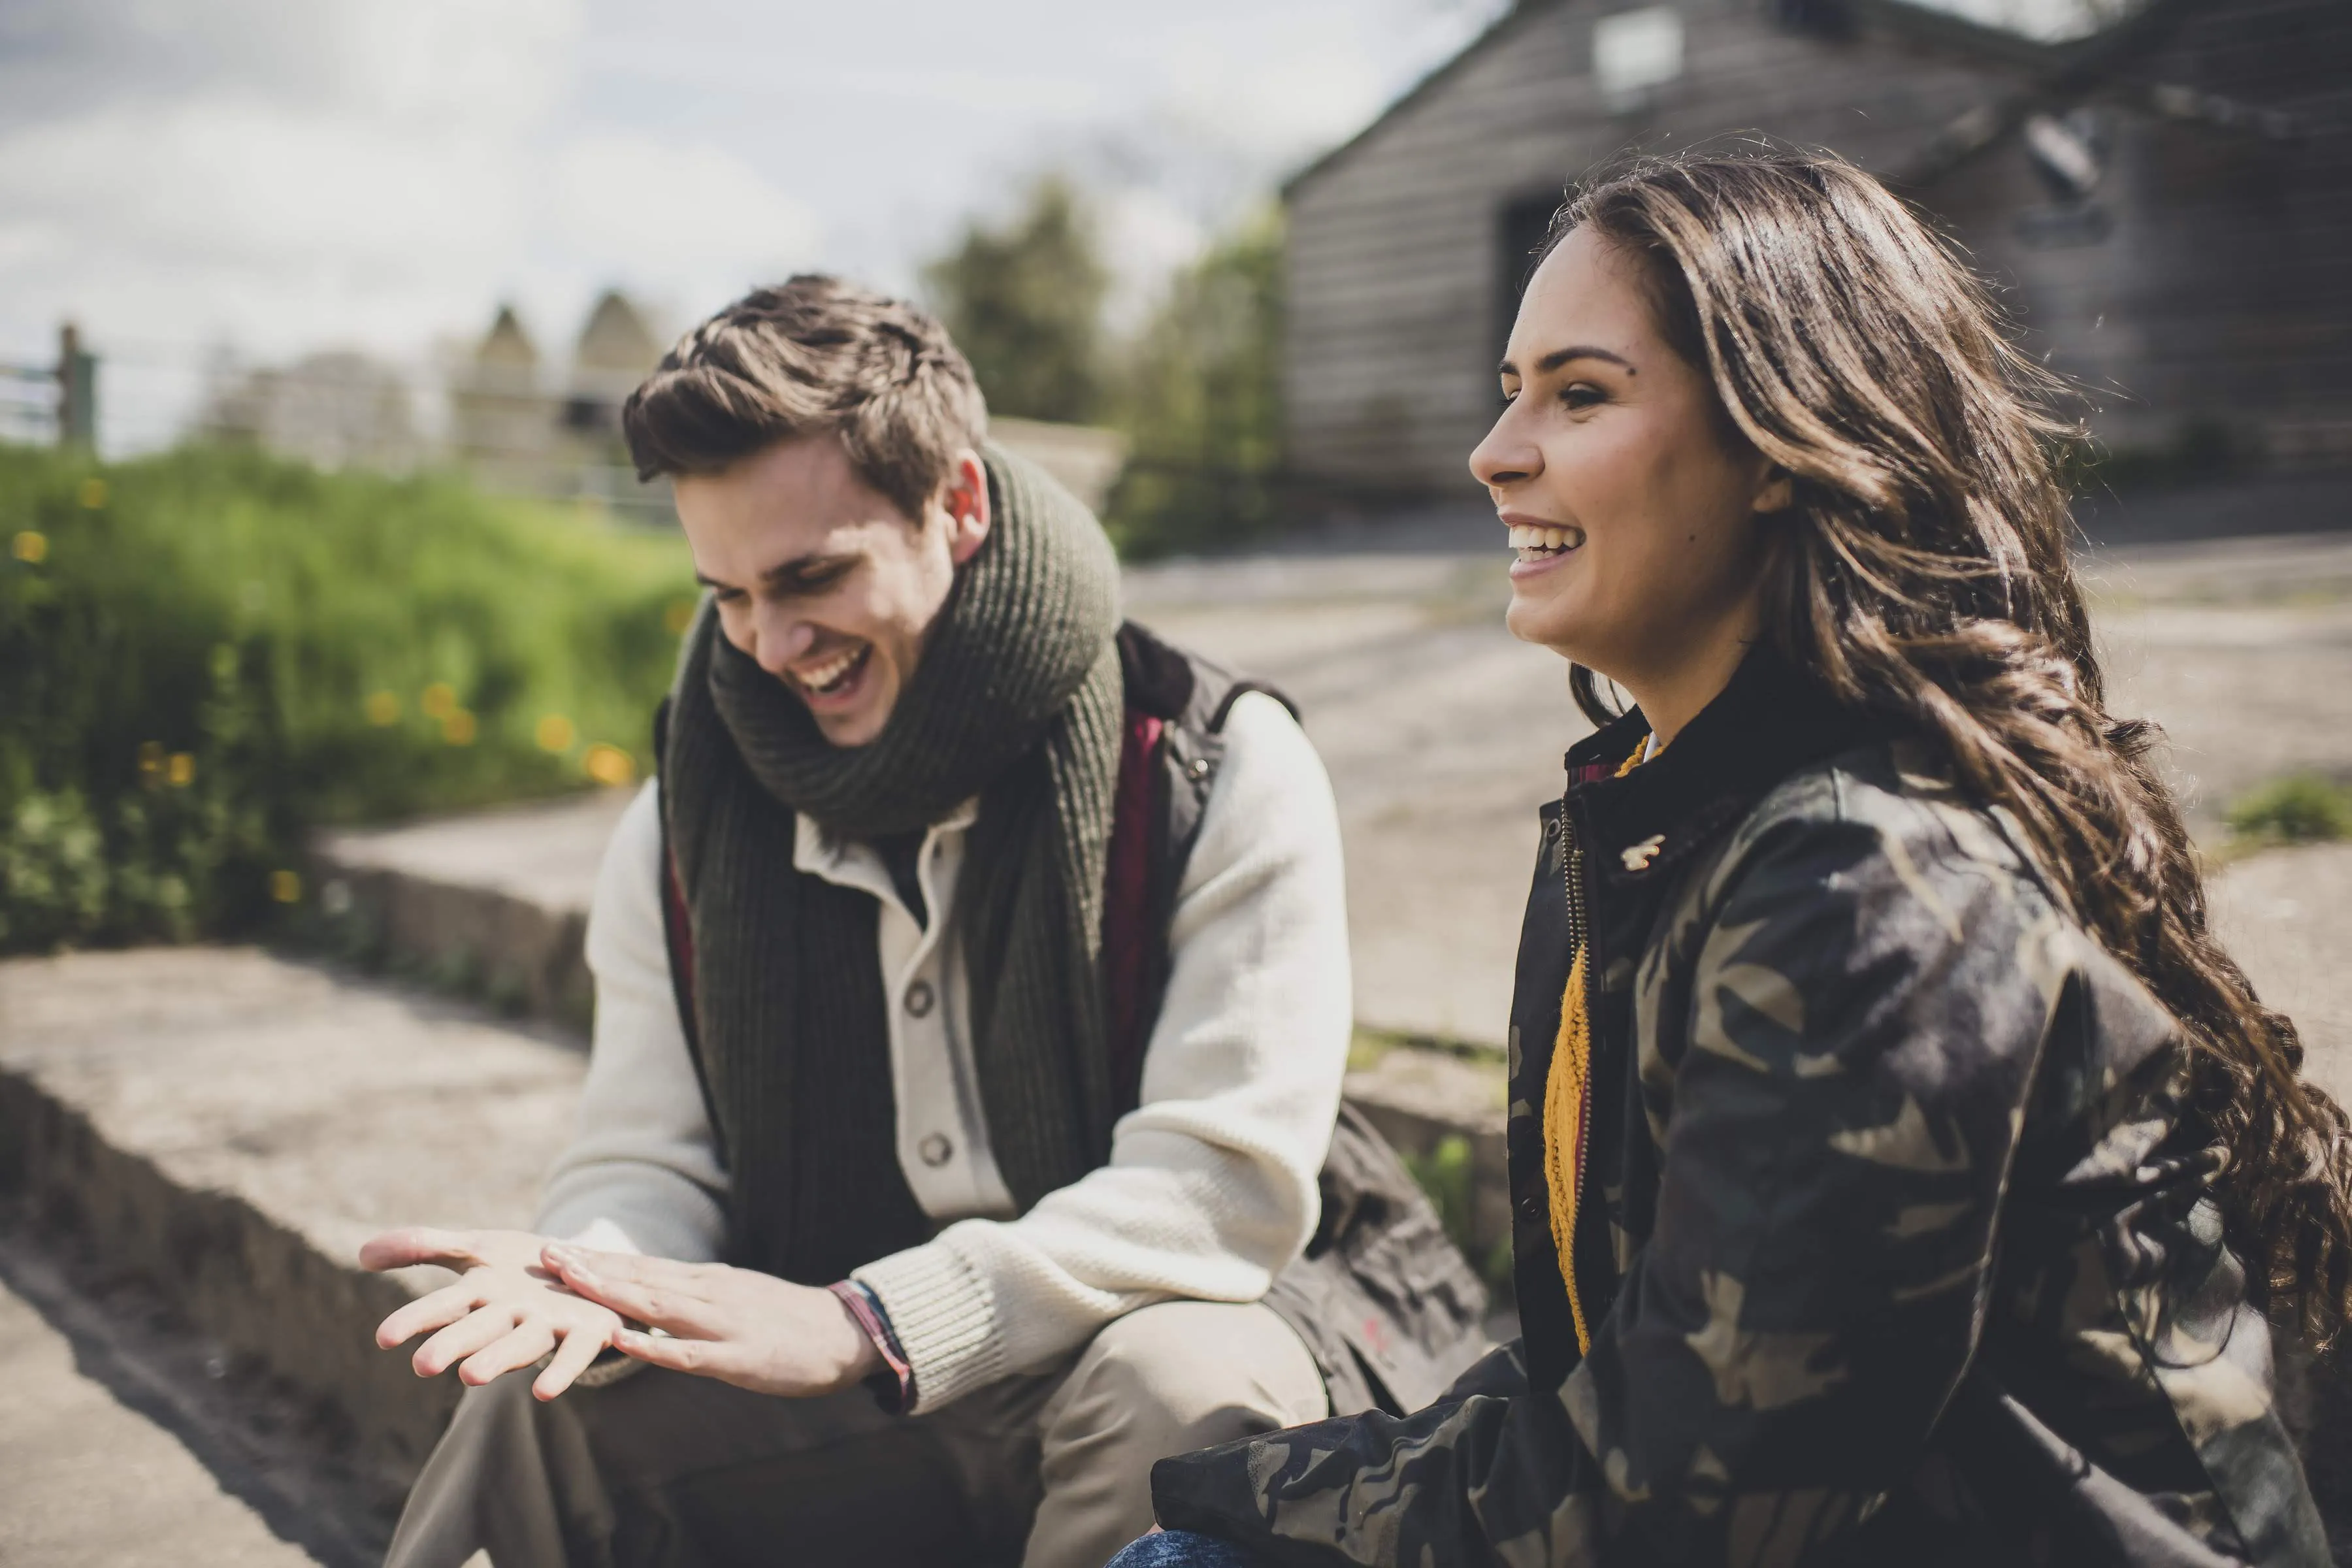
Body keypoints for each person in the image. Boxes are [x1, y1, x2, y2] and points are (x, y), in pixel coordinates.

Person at [1126, 148, 2345, 1565]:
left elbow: (1669, 1510)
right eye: (1508, 389)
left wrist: (1246, 1498)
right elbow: (1631, 1381)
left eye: (1580, 394)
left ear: (1780, 443)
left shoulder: (1873, 887)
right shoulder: (1661, 820)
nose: (1496, 450)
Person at [360, 277, 1486, 1568]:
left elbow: (1217, 1193)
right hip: (857, 1351)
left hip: (1186, 1324)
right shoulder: (687, 821)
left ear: (959, 503)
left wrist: (870, 1326)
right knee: (542, 1401)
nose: (769, 645)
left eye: (811, 576)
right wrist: (587, 1280)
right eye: (724, 594)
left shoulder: (1214, 764)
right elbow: (647, 1156)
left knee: (1170, 1401)